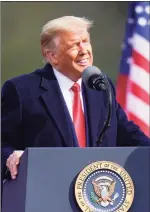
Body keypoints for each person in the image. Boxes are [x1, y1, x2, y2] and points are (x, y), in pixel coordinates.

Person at [1, 16, 150, 181]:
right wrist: (11, 157)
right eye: (74, 45)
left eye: (86, 41)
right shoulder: (22, 90)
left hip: (96, 195)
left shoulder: (101, 86)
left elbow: (125, 131)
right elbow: (3, 143)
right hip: (45, 192)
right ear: (52, 56)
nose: (84, 50)